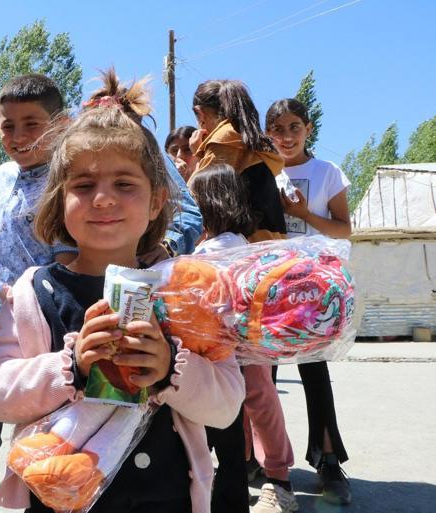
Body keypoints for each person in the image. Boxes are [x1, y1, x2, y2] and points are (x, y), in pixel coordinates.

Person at [0, 69, 244, 513]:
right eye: (83, 186)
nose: (103, 199)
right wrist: (72, 366)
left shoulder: (185, 294)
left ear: (157, 200)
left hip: (168, 498)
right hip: (61, 496)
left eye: (124, 184)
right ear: (59, 199)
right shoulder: (34, 293)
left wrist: (169, 370)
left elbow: (227, 405)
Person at [0, 73, 78, 513]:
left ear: (61, 124)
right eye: (8, 125)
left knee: (41, 439)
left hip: (39, 326)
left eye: (32, 124)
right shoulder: (3, 174)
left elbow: (68, 261)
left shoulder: (68, 181)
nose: (18, 136)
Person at [187, 78, 289, 513]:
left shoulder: (224, 141)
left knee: (253, 384)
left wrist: (194, 154)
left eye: (199, 115)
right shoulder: (251, 143)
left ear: (210, 113)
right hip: (261, 268)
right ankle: (257, 467)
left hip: (243, 274)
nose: (198, 125)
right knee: (250, 383)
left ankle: (278, 479)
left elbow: (197, 198)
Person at [266, 97, 352, 506]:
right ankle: (265, 465)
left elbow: (343, 230)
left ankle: (329, 463)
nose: (286, 136)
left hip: (314, 289)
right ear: (267, 133)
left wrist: (303, 213)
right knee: (261, 378)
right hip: (267, 286)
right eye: (278, 129)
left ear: (308, 129)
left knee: (314, 374)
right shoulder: (259, 170)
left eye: (294, 127)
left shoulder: (326, 172)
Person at [190, 79, 286, 242]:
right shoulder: (249, 140)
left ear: (200, 114)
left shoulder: (224, 139)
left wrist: (198, 157)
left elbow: (194, 198)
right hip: (273, 241)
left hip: (247, 247)